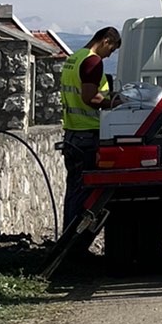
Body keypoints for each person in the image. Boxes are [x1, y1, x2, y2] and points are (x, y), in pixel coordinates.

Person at [60, 26, 122, 232]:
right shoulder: (93, 61)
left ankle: (69, 238)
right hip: (88, 135)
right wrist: (115, 102)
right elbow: (90, 98)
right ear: (106, 40)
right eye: (111, 49)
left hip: (72, 133)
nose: (109, 55)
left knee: (75, 190)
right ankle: (74, 243)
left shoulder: (74, 58)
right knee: (86, 195)